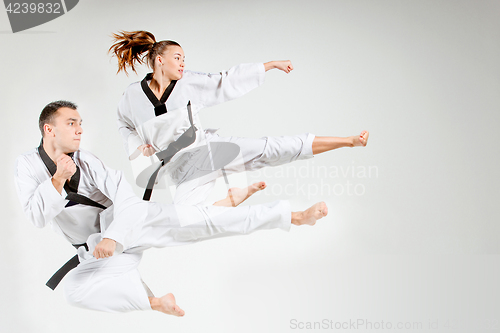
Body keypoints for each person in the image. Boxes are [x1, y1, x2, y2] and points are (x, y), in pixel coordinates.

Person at [15, 101, 328, 315]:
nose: (80, 130)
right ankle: (153, 302)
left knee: (201, 222)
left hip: (131, 225)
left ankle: (292, 216)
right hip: (97, 252)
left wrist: (114, 236)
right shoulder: (27, 166)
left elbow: (126, 200)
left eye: (80, 124)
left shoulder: (87, 160)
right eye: (71, 124)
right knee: (74, 290)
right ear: (49, 130)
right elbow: (36, 216)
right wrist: (57, 180)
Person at [110, 30, 369, 206]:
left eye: (184, 59)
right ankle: (235, 197)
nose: (182, 64)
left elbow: (224, 80)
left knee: (267, 149)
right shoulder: (132, 96)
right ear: (158, 60)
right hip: (181, 171)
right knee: (189, 222)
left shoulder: (187, 83)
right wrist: (137, 146)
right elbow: (123, 124)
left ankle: (348, 141)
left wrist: (269, 65)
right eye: (177, 58)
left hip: (206, 150)